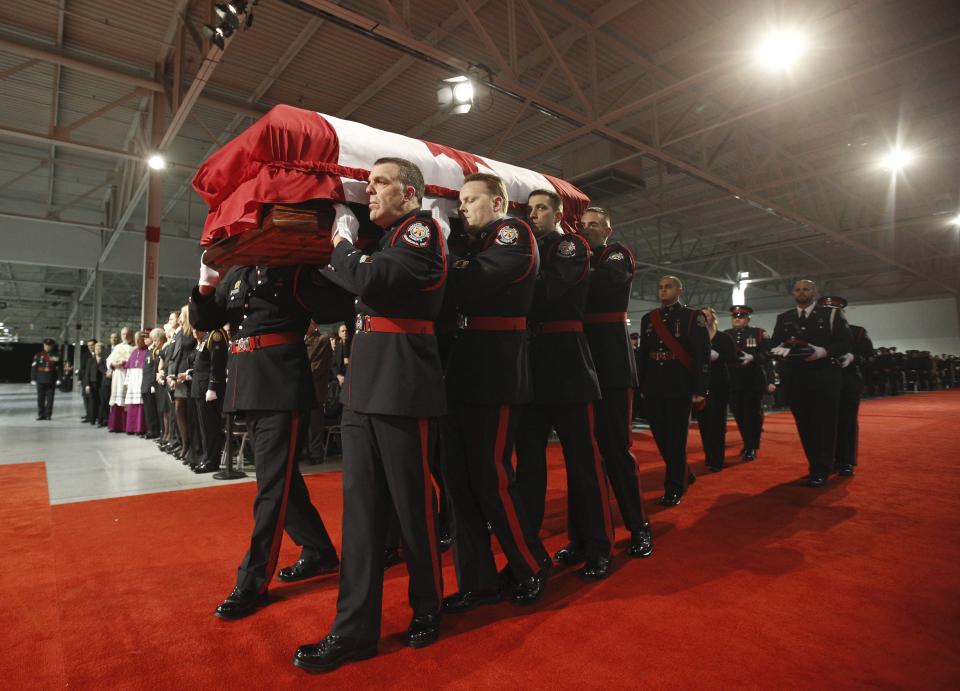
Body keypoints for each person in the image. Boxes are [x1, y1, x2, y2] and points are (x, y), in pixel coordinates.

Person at [293, 157, 447, 673]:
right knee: (360, 516)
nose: (368, 190)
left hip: (403, 387)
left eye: (380, 182)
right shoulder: (379, 242)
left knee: (413, 510)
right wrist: (315, 251)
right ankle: (354, 629)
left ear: (410, 193)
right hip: (364, 389)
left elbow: (373, 281)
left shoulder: (421, 230)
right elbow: (336, 299)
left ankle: (428, 606)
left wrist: (340, 243)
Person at [190, 264, 343, 618]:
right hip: (248, 383)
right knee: (279, 482)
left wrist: (308, 270)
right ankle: (319, 551)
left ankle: (252, 581)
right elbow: (205, 321)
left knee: (272, 487)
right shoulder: (237, 273)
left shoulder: (291, 268)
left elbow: (332, 307)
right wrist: (205, 286)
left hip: (280, 384)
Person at [440, 172, 551, 616]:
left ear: (499, 202)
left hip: (497, 370)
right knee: (457, 480)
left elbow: (470, 284)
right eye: (460, 200)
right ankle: (478, 581)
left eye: (471, 199)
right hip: (463, 368)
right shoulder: (472, 244)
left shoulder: (513, 232)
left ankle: (531, 564)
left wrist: (447, 257)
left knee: (492, 475)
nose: (463, 206)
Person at [515, 189, 613, 581]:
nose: (534, 214)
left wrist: (506, 283)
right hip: (532, 365)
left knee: (584, 465)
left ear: (557, 213)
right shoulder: (525, 249)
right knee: (529, 466)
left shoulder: (570, 245)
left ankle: (598, 545)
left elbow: (546, 292)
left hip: (568, 363)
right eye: (531, 209)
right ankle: (529, 549)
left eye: (541, 208)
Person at [577, 206, 653, 558]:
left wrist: (571, 270)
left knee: (617, 452)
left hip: (612, 365)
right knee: (583, 459)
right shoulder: (579, 256)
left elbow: (606, 283)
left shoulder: (617, 253)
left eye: (595, 225)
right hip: (582, 362)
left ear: (608, 229)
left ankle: (639, 526)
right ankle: (585, 535)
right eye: (584, 226)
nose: (588, 230)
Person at [767, 280, 852, 487]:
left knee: (824, 423)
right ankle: (816, 463)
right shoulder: (784, 317)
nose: (801, 292)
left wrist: (824, 351)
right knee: (804, 424)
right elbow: (776, 342)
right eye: (797, 290)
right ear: (793, 294)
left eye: (806, 289)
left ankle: (821, 468)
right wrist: (774, 349)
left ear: (814, 292)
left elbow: (846, 342)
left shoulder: (830, 314)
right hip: (796, 378)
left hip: (824, 376)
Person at [636, 276, 710, 507]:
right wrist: (639, 384)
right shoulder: (649, 319)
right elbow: (643, 354)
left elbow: (701, 354)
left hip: (680, 385)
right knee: (661, 437)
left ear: (680, 290)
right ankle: (683, 472)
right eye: (660, 287)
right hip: (655, 385)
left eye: (668, 286)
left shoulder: (692, 317)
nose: (663, 290)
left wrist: (700, 388)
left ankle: (674, 487)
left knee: (676, 439)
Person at [817, 296, 873, 477]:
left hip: (847, 383)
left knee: (847, 422)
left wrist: (853, 358)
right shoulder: (816, 334)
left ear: (842, 312)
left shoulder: (857, 332)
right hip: (821, 383)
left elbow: (870, 357)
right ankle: (825, 461)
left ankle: (846, 461)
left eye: (835, 310)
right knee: (823, 424)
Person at [723, 305, 772, 461]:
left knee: (752, 415)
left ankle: (752, 446)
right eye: (735, 316)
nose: (737, 319)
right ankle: (747, 442)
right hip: (733, 380)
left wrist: (754, 358)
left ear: (748, 319)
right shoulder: (726, 335)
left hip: (752, 379)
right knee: (739, 414)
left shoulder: (758, 333)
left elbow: (767, 355)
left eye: (741, 316)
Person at [696, 308, 737, 471]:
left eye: (706, 315)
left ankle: (717, 459)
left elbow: (732, 358)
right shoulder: (696, 338)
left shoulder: (723, 338)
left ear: (713, 318)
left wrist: (719, 356)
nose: (704, 318)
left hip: (719, 383)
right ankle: (709, 456)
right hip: (701, 384)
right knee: (704, 423)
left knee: (717, 423)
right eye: (701, 316)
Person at [190, 325, 228, 474]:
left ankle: (212, 461)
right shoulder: (207, 334)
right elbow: (202, 363)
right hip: (199, 387)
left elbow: (217, 364)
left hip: (207, 388)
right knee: (204, 428)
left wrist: (212, 386)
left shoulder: (216, 334)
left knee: (210, 427)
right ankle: (206, 458)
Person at [303, 324, 335, 463]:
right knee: (303, 423)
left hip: (315, 387)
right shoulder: (300, 339)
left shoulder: (322, 339)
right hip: (301, 388)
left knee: (315, 423)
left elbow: (318, 366)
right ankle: (304, 451)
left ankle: (316, 453)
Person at [106, 329, 134, 432]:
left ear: (131, 335)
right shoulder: (117, 347)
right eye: (123, 334)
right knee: (117, 401)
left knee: (127, 400)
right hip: (118, 376)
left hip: (129, 376)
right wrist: (113, 364)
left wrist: (125, 362)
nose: (125, 336)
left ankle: (127, 426)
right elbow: (109, 360)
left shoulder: (134, 348)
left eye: (127, 334)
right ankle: (116, 425)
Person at [123, 331, 149, 435]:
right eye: (136, 340)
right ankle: (131, 428)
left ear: (144, 340)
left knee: (140, 405)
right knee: (132, 404)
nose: (137, 342)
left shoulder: (148, 351)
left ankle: (140, 428)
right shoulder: (133, 352)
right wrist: (127, 382)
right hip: (133, 382)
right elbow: (129, 368)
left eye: (140, 339)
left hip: (141, 380)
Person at [141, 329, 165, 439]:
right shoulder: (149, 351)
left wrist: (152, 383)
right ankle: (150, 428)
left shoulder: (155, 351)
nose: (145, 339)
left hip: (151, 384)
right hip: (145, 384)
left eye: (147, 337)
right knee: (148, 410)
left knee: (153, 409)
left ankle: (154, 430)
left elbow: (154, 369)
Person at [30, 338, 61, 420]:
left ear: (52, 346)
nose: (47, 347)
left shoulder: (56, 355)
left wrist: (59, 378)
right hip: (40, 379)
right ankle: (41, 414)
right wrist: (33, 378)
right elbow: (34, 367)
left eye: (49, 345)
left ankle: (48, 415)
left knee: (50, 399)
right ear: (44, 345)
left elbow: (59, 368)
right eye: (46, 345)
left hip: (51, 379)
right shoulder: (38, 355)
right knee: (40, 398)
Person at [79, 339, 99, 424]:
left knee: (95, 399)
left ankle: (94, 415)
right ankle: (88, 415)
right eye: (88, 345)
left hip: (96, 380)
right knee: (86, 397)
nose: (90, 347)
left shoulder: (100, 354)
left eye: (92, 345)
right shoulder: (85, 355)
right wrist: (80, 379)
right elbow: (82, 368)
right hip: (86, 379)